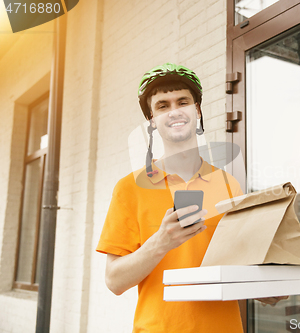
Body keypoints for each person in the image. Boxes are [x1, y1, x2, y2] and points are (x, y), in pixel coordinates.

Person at [96, 63, 284, 333]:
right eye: (162, 105)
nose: (174, 111)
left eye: (182, 101)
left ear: (196, 110)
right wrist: (160, 243)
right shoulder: (130, 188)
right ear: (151, 119)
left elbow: (238, 264)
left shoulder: (229, 184)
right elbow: (114, 281)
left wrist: (262, 287)